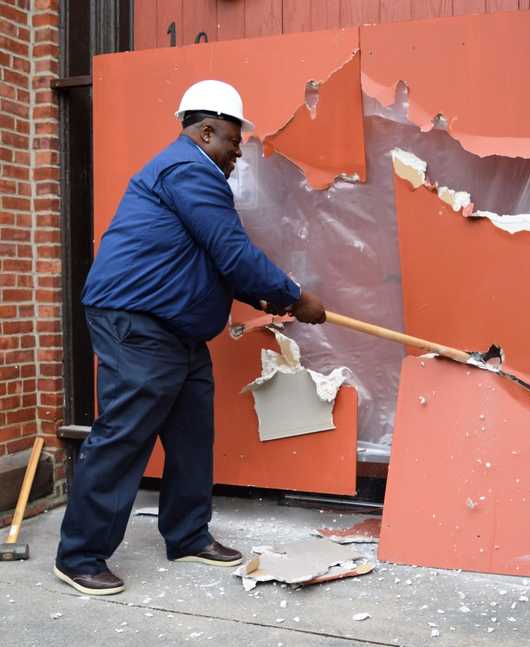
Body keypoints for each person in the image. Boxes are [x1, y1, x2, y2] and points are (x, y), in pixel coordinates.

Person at [54, 80, 326, 596]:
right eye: (232, 142)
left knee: (191, 432)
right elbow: (232, 251)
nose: (236, 155)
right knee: (125, 433)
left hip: (175, 326)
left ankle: (186, 535)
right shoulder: (188, 170)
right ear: (205, 132)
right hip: (137, 321)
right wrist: (293, 296)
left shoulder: (189, 175)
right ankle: (80, 555)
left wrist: (266, 299)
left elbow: (207, 259)